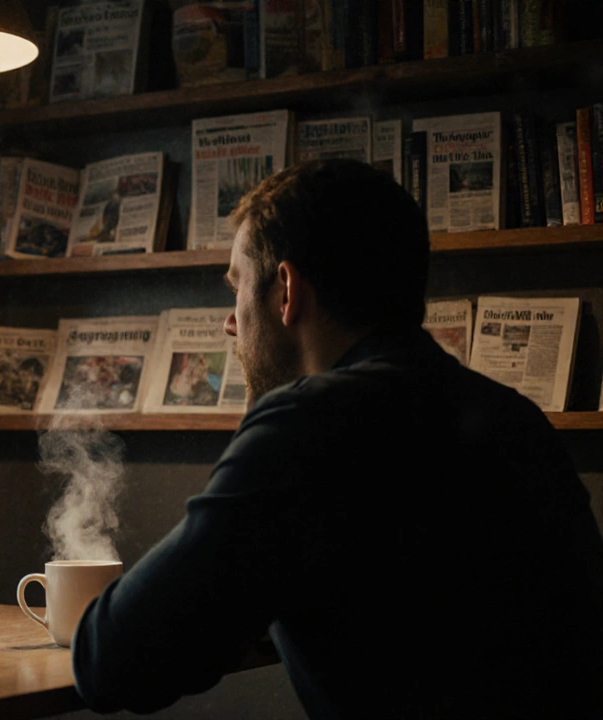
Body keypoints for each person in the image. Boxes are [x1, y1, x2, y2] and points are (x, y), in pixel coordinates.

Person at [71, 159, 603, 718]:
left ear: (285, 289)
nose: (231, 323)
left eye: (237, 288)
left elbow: (108, 662)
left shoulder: (304, 427)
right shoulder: (512, 416)